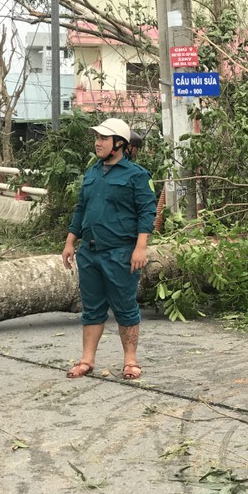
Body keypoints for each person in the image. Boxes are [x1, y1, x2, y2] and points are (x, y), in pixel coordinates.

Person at [62, 118, 157, 379]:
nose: (97, 143)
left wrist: (140, 248)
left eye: (103, 138)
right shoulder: (92, 172)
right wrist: (71, 241)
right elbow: (81, 208)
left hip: (121, 252)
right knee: (92, 308)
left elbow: (147, 212)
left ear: (119, 144)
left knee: (125, 306)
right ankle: (86, 360)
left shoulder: (137, 175)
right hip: (90, 252)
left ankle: (130, 361)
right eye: (96, 138)